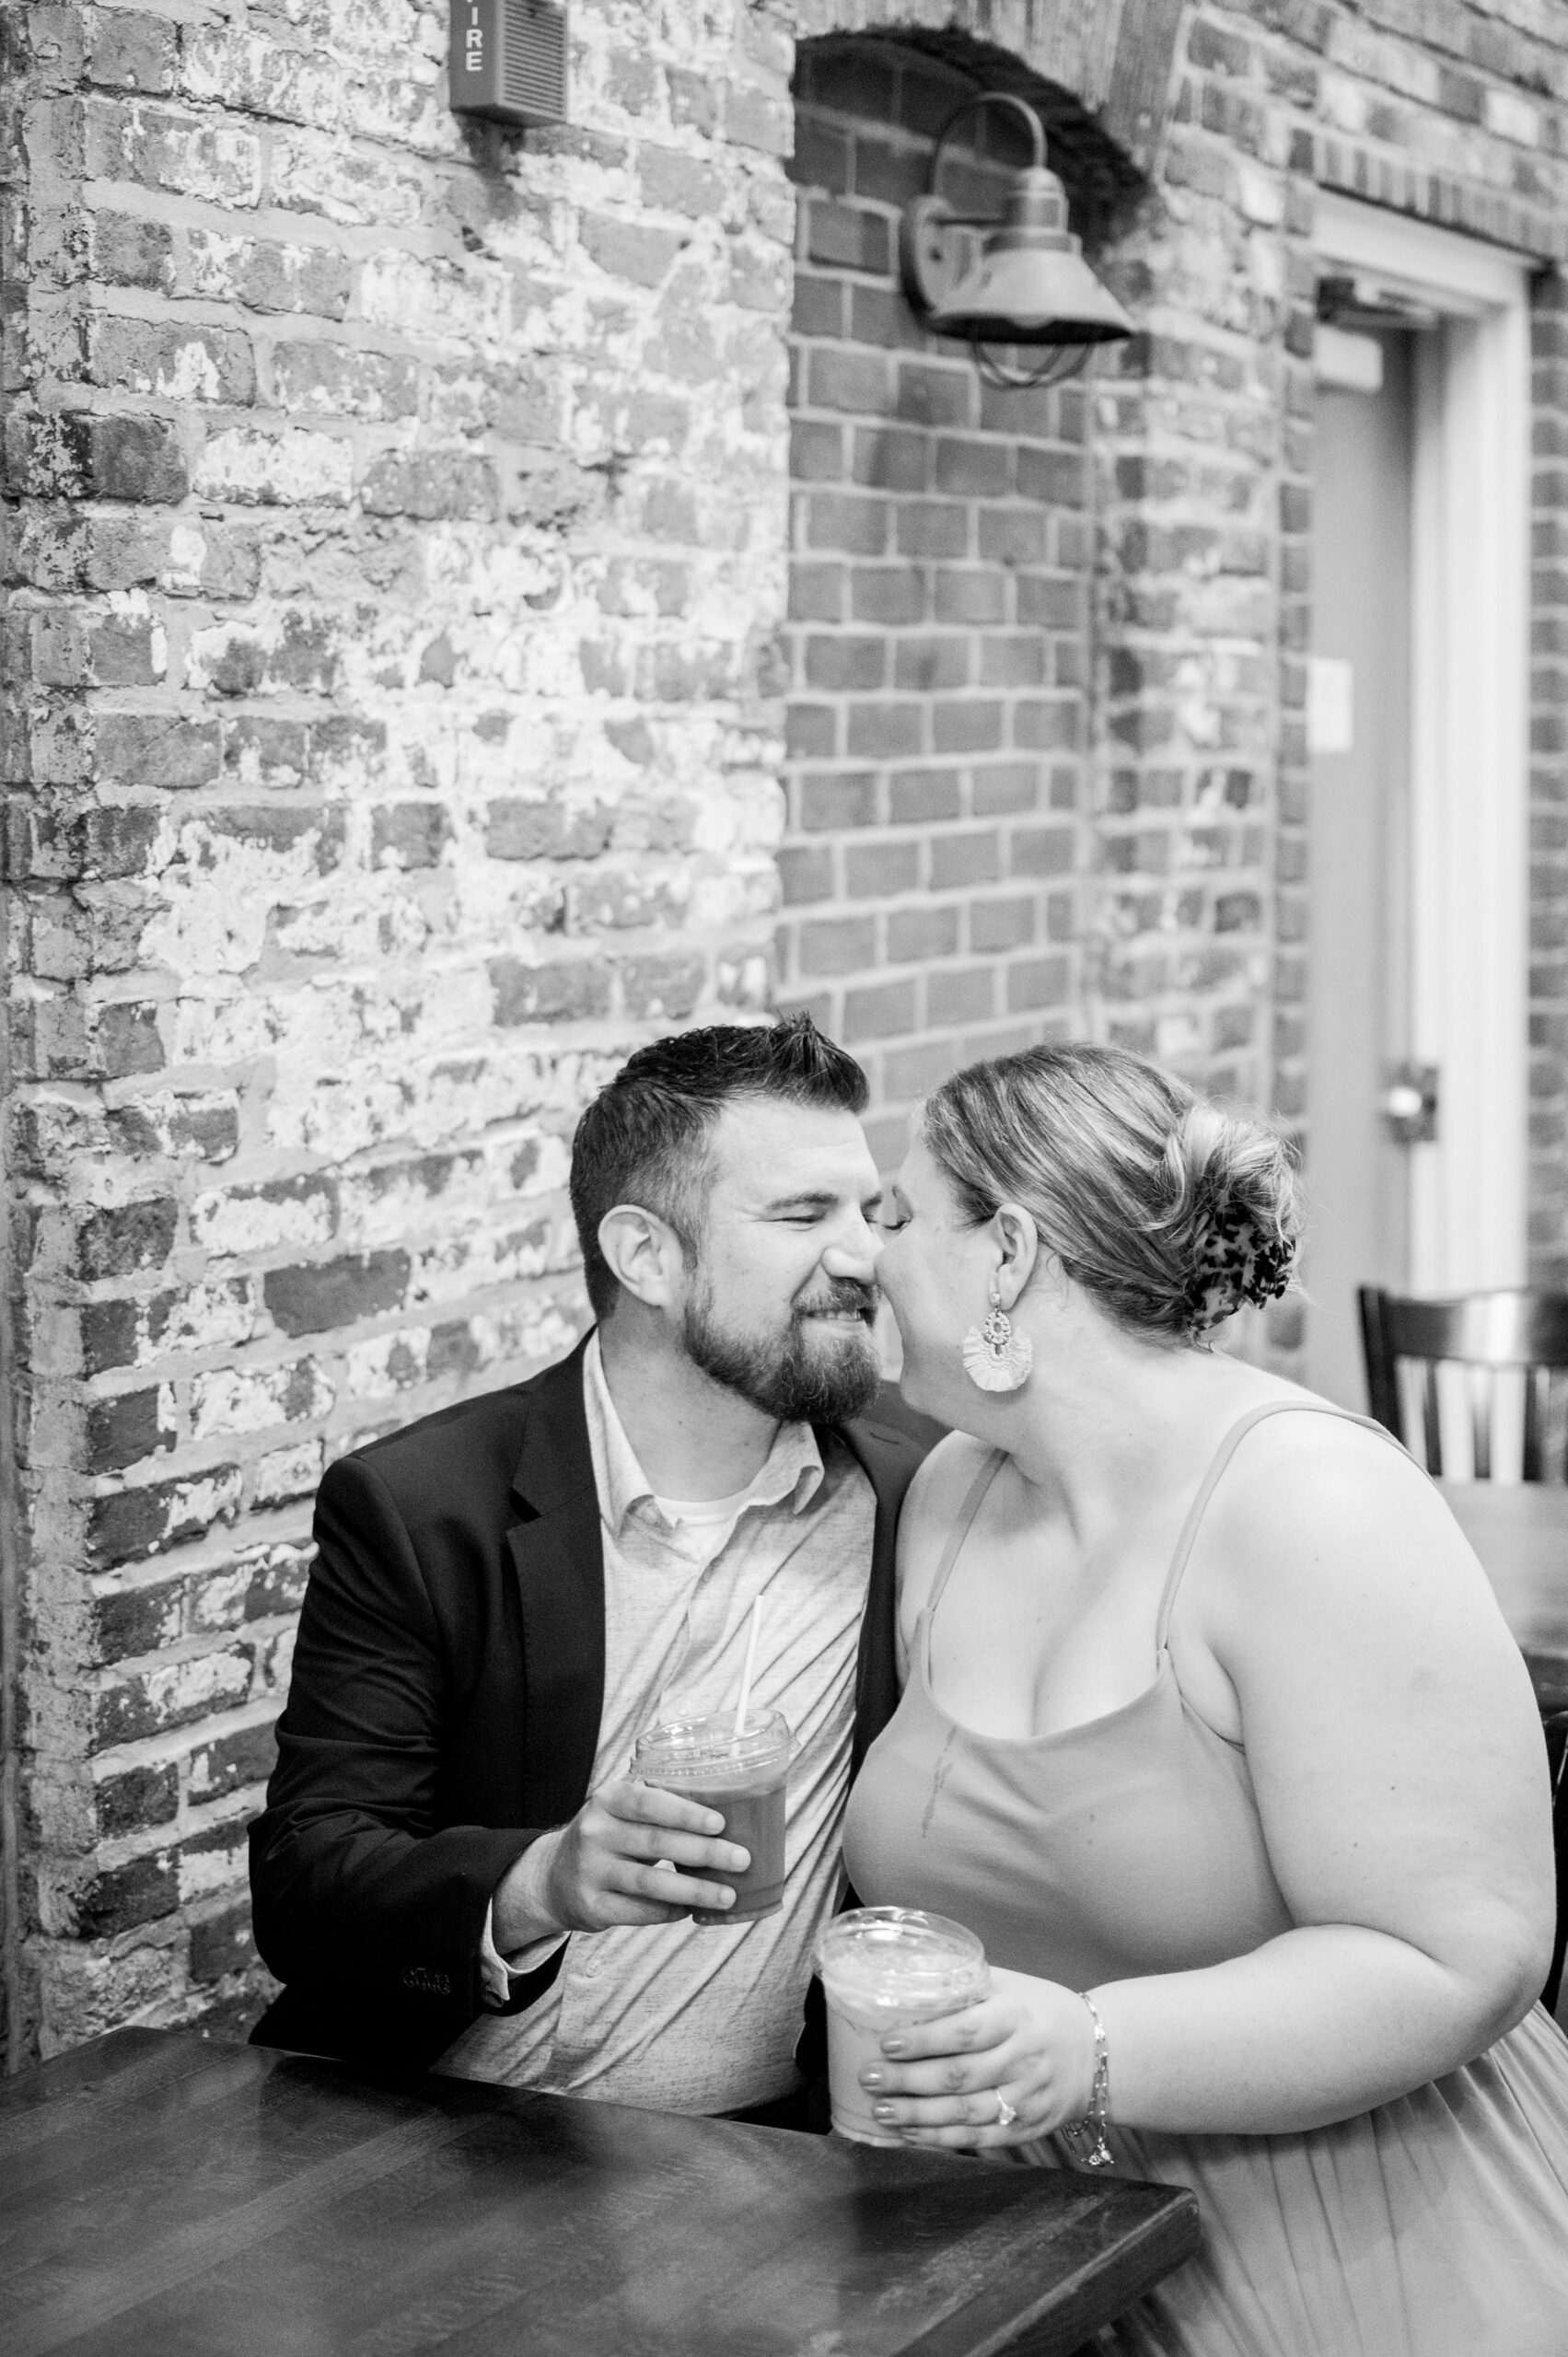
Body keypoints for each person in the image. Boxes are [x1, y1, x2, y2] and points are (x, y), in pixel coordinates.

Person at [843, 1040, 1568, 2355]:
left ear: (1006, 1256)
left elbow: (1464, 1958)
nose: (860, 1256)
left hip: (1354, 2254)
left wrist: (1091, 2045)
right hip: (1048, 2268)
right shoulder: (951, 1490)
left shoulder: (1309, 1507)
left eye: (892, 1215)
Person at [249, 1016, 932, 2122]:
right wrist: (543, 1882)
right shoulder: (423, 1507)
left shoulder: (917, 1491)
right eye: (803, 1215)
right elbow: (304, 1888)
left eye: (869, 1211)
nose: (862, 1255)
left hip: (776, 2158)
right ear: (644, 1255)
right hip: (437, 2137)